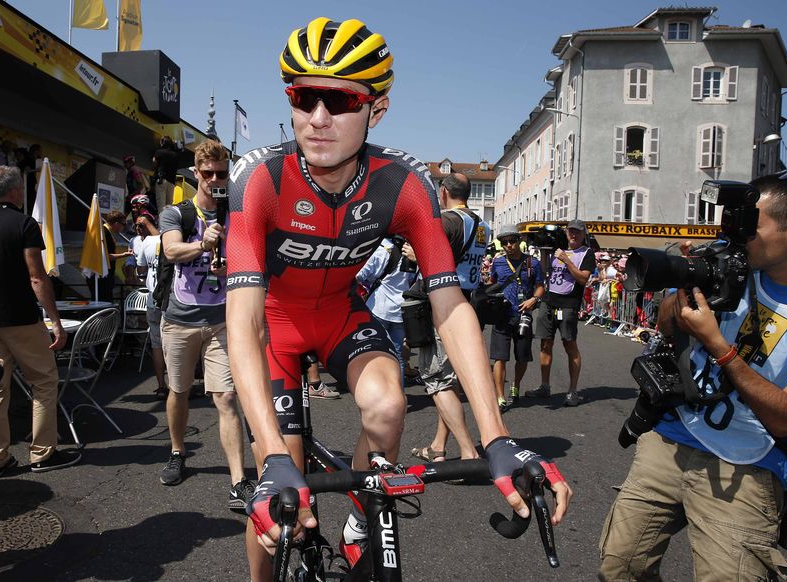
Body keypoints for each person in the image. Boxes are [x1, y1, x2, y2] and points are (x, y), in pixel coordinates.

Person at [225, 18, 572, 582]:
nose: (317, 118)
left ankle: (359, 525)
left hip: (340, 316)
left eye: (338, 100)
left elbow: (451, 307)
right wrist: (271, 458)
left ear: (376, 109)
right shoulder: (261, 178)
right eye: (303, 96)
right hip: (275, 328)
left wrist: (497, 437)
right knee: (278, 501)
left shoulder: (402, 183)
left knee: (389, 407)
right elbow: (242, 324)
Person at [599, 172, 787, 581]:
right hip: (671, 434)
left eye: (750, 225)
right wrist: (684, 285)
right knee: (621, 566)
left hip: (746, 461)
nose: (735, 235)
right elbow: (668, 326)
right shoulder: (730, 264)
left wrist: (719, 347)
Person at [157, 139, 253, 510]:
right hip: (180, 320)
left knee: (227, 397)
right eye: (208, 173)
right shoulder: (176, 213)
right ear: (195, 173)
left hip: (221, 321)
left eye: (222, 174)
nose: (215, 179)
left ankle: (239, 480)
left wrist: (230, 256)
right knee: (179, 391)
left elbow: (250, 256)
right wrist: (203, 243)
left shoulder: (235, 213)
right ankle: (178, 452)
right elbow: (170, 251)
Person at [0, 166, 81, 477]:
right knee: (43, 381)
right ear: (15, 191)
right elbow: (36, 276)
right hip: (19, 317)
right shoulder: (24, 224)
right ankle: (42, 453)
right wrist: (55, 320)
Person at [407, 172, 490, 463]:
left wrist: (414, 253)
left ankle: (468, 452)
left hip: (442, 304)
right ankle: (438, 447)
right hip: (468, 302)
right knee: (451, 379)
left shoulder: (449, 221)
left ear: (443, 192)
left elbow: (435, 261)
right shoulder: (482, 225)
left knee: (436, 379)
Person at [527, 219, 595, 406]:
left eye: (578, 232)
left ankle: (572, 391)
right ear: (566, 233)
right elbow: (543, 272)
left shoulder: (587, 253)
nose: (573, 235)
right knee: (545, 345)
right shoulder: (554, 249)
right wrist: (543, 253)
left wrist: (566, 259)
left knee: (569, 345)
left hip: (568, 304)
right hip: (548, 302)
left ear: (583, 234)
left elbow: (583, 279)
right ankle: (544, 386)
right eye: (571, 231)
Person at [489, 224, 544, 411]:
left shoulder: (533, 263)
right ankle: (500, 397)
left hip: (523, 316)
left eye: (512, 241)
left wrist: (533, 300)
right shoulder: (497, 263)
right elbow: (492, 284)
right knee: (499, 358)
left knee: (522, 357)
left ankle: (516, 385)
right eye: (504, 242)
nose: (508, 245)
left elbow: (540, 286)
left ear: (519, 241)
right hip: (502, 316)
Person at [356, 237, 418, 385]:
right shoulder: (413, 251)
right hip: (402, 310)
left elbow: (360, 275)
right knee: (398, 356)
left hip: (379, 308)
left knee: (374, 354)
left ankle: (378, 393)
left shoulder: (382, 249)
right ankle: (399, 393)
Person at [134, 213, 167, 398]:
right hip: (171, 299)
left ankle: (161, 386)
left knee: (157, 344)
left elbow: (141, 269)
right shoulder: (172, 239)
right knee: (175, 344)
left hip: (153, 298)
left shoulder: (146, 243)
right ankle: (179, 387)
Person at [86, 211, 132, 302]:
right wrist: (123, 255)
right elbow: (103, 256)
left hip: (104, 275)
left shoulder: (106, 232)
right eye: (123, 224)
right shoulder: (104, 233)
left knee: (105, 301)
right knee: (103, 302)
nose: (124, 227)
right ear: (116, 223)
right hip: (100, 276)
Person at [152, 136, 179, 212]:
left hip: (162, 181)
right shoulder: (175, 155)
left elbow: (154, 163)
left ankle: (161, 223)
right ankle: (167, 222)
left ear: (163, 143)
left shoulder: (159, 152)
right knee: (168, 207)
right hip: (172, 182)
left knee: (161, 206)